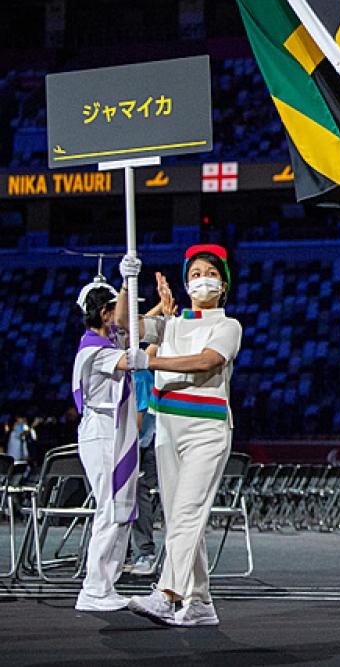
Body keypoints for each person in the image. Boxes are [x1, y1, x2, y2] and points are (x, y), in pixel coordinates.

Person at [123, 245, 243, 627]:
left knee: (188, 512)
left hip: (206, 430)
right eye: (193, 274)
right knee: (179, 518)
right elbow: (126, 327)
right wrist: (129, 282)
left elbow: (206, 361)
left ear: (222, 285)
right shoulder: (172, 324)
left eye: (209, 273)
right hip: (168, 427)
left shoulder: (227, 325)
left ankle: (166, 593)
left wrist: (152, 361)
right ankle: (201, 602)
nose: (201, 279)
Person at [72, 277, 147, 611]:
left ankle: (107, 584)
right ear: (104, 313)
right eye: (115, 308)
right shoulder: (93, 349)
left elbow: (129, 327)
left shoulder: (110, 338)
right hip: (100, 428)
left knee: (123, 507)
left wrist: (128, 283)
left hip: (117, 428)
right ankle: (93, 587)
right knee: (108, 507)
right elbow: (129, 360)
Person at [125, 345, 160, 577]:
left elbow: (136, 423)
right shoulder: (137, 372)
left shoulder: (139, 375)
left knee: (138, 494)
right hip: (141, 443)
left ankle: (144, 554)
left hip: (140, 446)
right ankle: (125, 552)